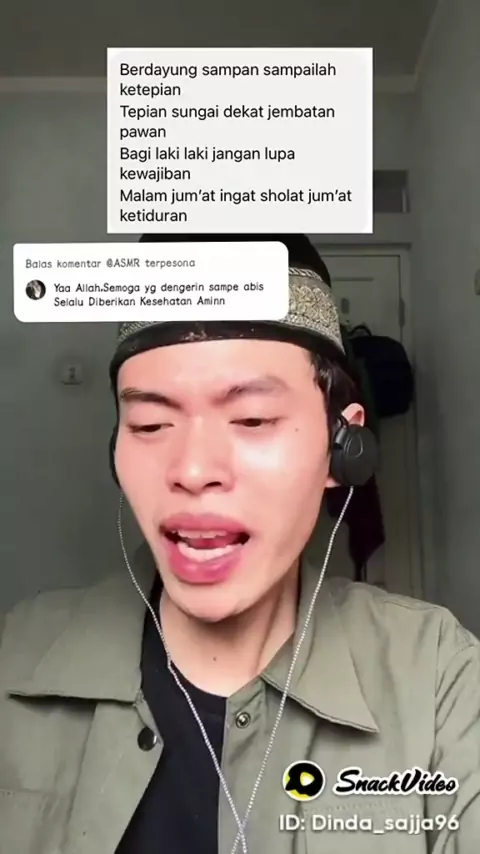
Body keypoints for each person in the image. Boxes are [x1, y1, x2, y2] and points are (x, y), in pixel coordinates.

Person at [0, 234, 479, 854]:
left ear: (342, 447)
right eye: (150, 424)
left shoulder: (439, 678)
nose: (193, 470)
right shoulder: (14, 660)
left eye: (252, 419)